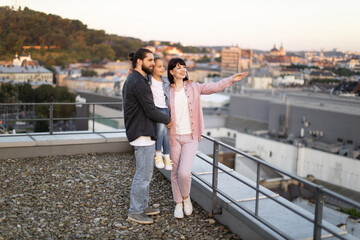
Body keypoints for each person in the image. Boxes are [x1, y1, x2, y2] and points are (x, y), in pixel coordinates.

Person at [167, 58, 248, 219]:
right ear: (171, 72)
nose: (183, 70)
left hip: (191, 136)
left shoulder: (194, 87)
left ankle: (186, 198)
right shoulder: (166, 90)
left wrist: (231, 79)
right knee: (175, 173)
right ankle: (177, 204)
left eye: (184, 67)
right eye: (178, 68)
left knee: (184, 173)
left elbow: (213, 87)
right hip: (173, 137)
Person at [122, 48, 171, 224]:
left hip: (142, 131)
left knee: (146, 173)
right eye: (150, 60)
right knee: (143, 175)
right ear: (139, 62)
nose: (153, 63)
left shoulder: (137, 79)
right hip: (141, 132)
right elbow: (151, 110)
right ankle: (135, 211)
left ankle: (142, 205)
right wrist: (169, 120)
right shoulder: (138, 82)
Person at [150, 57, 172, 170]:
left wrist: (187, 80)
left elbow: (177, 84)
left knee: (164, 132)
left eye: (163, 66)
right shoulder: (148, 80)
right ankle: (162, 155)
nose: (162, 68)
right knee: (161, 130)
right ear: (152, 67)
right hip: (155, 109)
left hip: (164, 109)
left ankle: (162, 155)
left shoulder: (166, 81)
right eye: (159, 66)